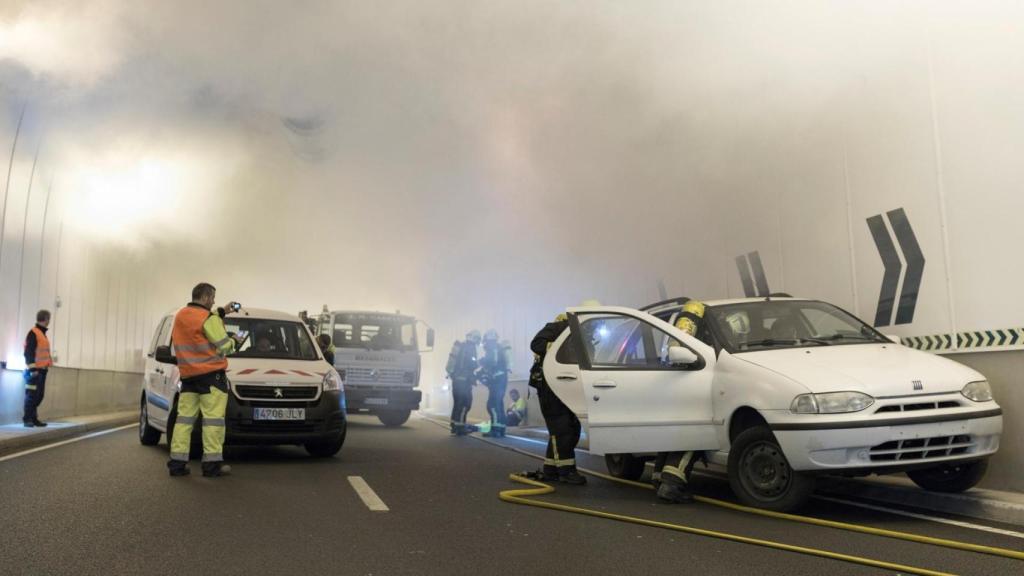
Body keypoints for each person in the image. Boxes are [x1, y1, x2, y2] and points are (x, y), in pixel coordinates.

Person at [167, 283, 243, 478]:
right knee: (213, 422)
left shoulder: (181, 315)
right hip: (211, 377)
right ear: (207, 298)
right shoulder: (209, 319)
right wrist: (235, 340)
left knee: (184, 421)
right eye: (213, 298)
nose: (214, 302)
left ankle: (177, 464)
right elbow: (225, 347)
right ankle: (211, 466)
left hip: (188, 378)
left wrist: (222, 312)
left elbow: (199, 328)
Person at [654, 299, 707, 503]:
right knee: (694, 437)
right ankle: (672, 485)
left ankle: (659, 477)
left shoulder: (676, 325)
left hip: (674, 386)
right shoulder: (690, 325)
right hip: (689, 387)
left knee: (673, 436)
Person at [529, 313, 586, 485]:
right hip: (550, 388)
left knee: (568, 428)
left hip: (564, 386)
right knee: (562, 429)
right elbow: (536, 344)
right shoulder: (559, 328)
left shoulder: (583, 334)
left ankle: (551, 469)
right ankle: (566, 471)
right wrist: (559, 346)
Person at [445, 330, 480, 436]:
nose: (478, 342)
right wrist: (479, 363)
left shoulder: (462, 346)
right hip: (464, 381)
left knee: (457, 404)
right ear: (475, 338)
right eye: (478, 339)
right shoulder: (471, 347)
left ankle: (454, 425)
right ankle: (460, 426)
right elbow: (472, 364)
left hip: (456, 380)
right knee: (465, 403)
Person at [22, 310, 53, 428]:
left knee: (39, 396)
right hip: (35, 371)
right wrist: (32, 369)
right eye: (49, 319)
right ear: (45, 319)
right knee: (31, 395)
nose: (49, 321)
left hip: (42, 370)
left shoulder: (42, 333)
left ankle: (34, 418)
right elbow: (28, 353)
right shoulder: (34, 333)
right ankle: (27, 419)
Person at [479, 329, 510, 438]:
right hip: (502, 378)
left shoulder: (492, 347)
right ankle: (501, 429)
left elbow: (491, 362)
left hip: (497, 379)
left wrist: (481, 362)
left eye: (485, 340)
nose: (484, 342)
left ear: (488, 338)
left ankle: (495, 430)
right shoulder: (498, 347)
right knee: (499, 404)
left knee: (492, 405)